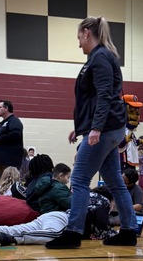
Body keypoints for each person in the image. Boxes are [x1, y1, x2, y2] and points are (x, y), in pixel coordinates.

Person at [45, 16, 137, 249]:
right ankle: (128, 231)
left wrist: (95, 129)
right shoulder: (98, 57)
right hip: (109, 128)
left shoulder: (101, 57)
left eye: (79, 37)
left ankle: (73, 232)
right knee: (116, 181)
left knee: (79, 179)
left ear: (87, 32)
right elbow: (94, 98)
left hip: (106, 129)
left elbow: (105, 94)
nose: (78, 43)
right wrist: (82, 127)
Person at [0, 100, 25, 181]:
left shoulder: (14, 121)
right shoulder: (0, 124)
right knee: (0, 186)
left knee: (9, 184)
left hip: (9, 161)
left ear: (6, 108)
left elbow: (15, 134)